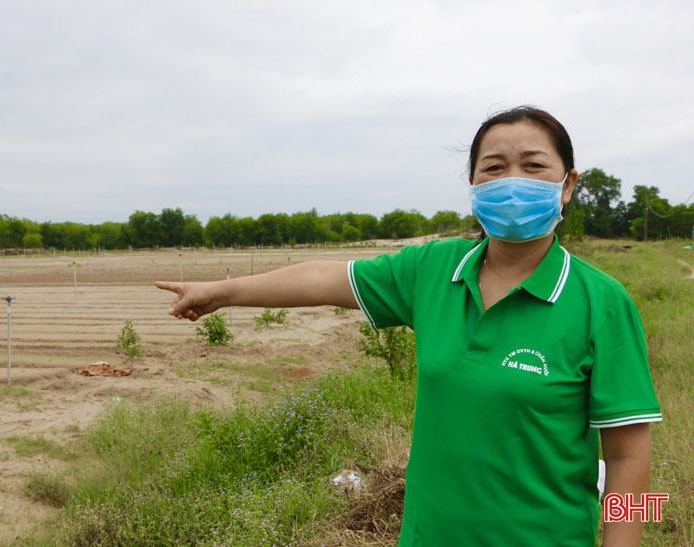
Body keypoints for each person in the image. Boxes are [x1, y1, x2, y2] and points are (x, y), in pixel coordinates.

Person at [156, 106, 662, 546]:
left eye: (533, 167)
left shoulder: (601, 302)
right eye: (494, 168)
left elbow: (631, 459)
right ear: (473, 185)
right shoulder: (434, 271)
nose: (512, 182)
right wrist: (219, 293)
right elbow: (321, 280)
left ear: (568, 184)